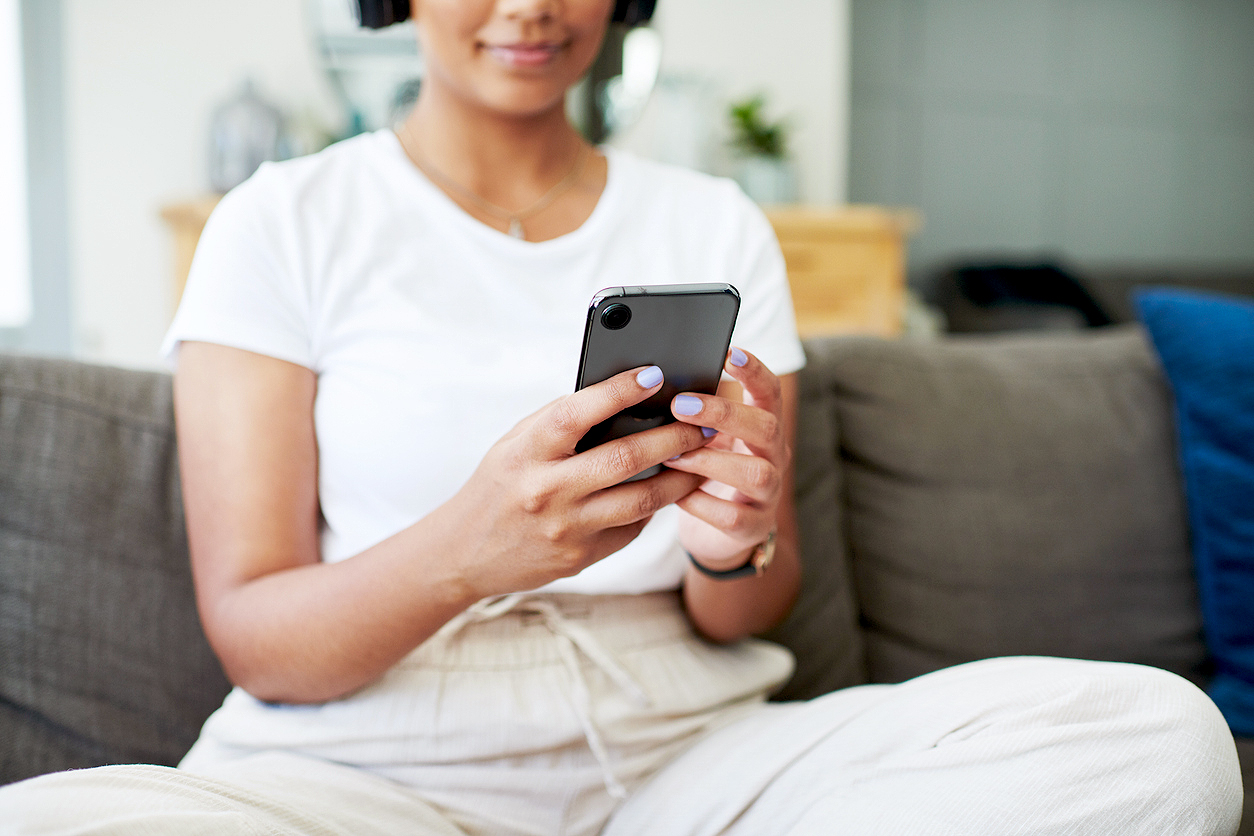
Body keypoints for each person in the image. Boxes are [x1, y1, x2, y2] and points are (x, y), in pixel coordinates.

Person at [0, 1, 1243, 834]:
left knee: (1160, 739)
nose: (531, 5)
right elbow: (260, 634)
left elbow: (747, 606)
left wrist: (735, 534)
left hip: (679, 752)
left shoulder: (713, 227)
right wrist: (472, 546)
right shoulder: (280, 222)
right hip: (361, 761)